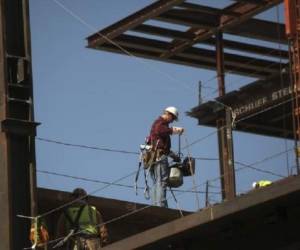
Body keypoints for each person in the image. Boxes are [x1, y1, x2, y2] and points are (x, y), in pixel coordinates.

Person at [148, 106, 184, 207]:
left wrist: (174, 156)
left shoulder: (159, 124)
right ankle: (161, 205)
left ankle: (157, 204)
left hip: (154, 156)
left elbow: (164, 147)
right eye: (172, 118)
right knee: (162, 182)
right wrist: (175, 130)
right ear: (168, 114)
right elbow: (160, 130)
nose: (172, 121)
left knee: (157, 182)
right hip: (159, 157)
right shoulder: (160, 123)